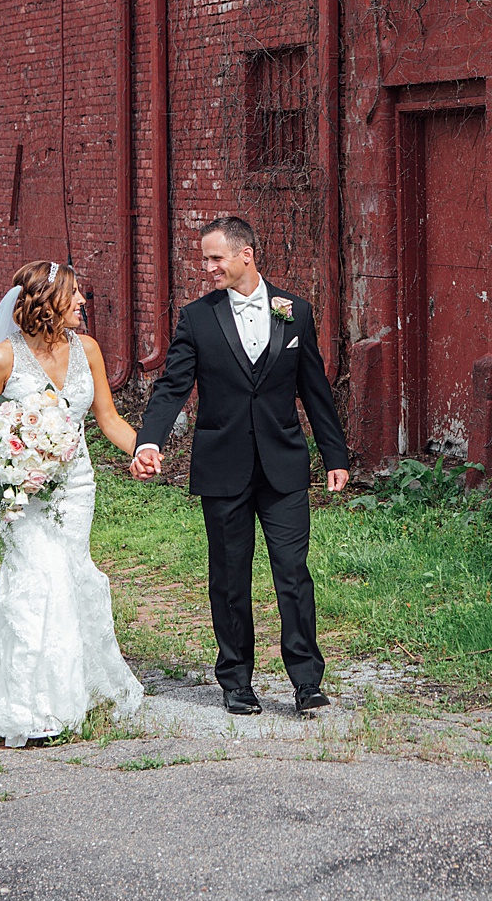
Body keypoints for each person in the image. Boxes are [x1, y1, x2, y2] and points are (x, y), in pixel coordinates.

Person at [131, 215, 349, 716]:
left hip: (284, 465)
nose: (208, 267)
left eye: (215, 258)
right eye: (206, 259)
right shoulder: (197, 318)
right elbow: (172, 386)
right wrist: (149, 441)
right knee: (230, 577)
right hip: (223, 466)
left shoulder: (295, 311)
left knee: (293, 573)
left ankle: (306, 682)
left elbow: (314, 389)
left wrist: (334, 454)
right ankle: (235, 680)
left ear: (245, 254)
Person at [0, 261, 144, 747]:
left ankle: (68, 694)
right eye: (75, 295)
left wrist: (143, 448)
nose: (83, 303)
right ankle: (24, 706)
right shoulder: (2, 358)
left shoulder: (89, 351)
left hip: (76, 486)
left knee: (71, 576)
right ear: (47, 301)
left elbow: (108, 418)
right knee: (36, 583)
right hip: (25, 491)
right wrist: (16, 453)